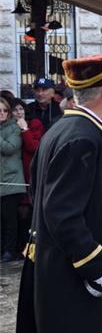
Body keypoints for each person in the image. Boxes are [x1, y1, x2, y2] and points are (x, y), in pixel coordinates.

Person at [12, 54, 102, 333]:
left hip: (59, 262)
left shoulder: (68, 128)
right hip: (69, 269)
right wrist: (97, 266)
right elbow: (62, 214)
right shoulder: (82, 138)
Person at [11, 98, 43, 253]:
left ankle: (30, 246)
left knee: (29, 211)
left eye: (20, 109)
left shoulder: (34, 124)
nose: (18, 113)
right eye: (15, 110)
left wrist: (25, 129)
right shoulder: (8, 126)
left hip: (29, 172)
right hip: (12, 174)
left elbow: (34, 147)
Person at [1, 97, 25, 262]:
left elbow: (10, 148)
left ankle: (10, 251)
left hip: (11, 180)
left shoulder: (14, 128)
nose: (1, 114)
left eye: (4, 110)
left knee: (10, 220)